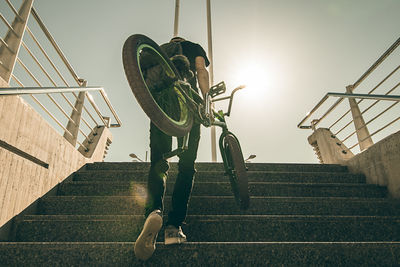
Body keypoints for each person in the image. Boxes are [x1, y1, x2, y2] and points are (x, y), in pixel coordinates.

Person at [134, 36, 210, 261]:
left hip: (160, 105)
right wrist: (207, 100)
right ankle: (173, 227)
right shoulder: (194, 47)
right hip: (189, 103)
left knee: (158, 163)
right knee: (186, 167)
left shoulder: (158, 52)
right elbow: (201, 71)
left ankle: (153, 212)